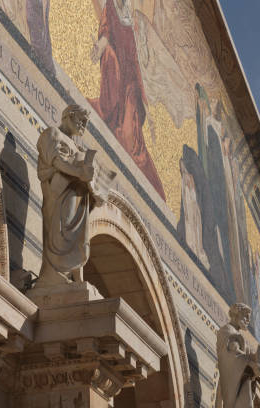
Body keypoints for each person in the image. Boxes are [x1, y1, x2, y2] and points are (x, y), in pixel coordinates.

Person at [88, 0, 166, 200]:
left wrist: (146, 99)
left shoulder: (132, 21)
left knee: (131, 140)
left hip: (131, 83)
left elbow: (140, 59)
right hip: (116, 75)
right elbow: (105, 32)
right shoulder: (111, 8)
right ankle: (109, 113)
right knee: (122, 131)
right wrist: (99, 47)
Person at [36, 105, 103, 287]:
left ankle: (75, 275)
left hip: (78, 194)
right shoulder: (52, 134)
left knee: (80, 238)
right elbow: (57, 161)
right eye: (81, 120)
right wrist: (79, 172)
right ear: (68, 116)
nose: (83, 125)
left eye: (86, 123)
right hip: (59, 194)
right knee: (59, 232)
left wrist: (95, 190)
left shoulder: (78, 147)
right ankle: (51, 273)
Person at [215, 303, 260, 408]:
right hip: (231, 382)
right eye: (245, 316)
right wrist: (252, 364)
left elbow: (244, 355)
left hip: (241, 380)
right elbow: (232, 354)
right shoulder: (227, 330)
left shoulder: (240, 337)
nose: (248, 320)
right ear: (237, 314)